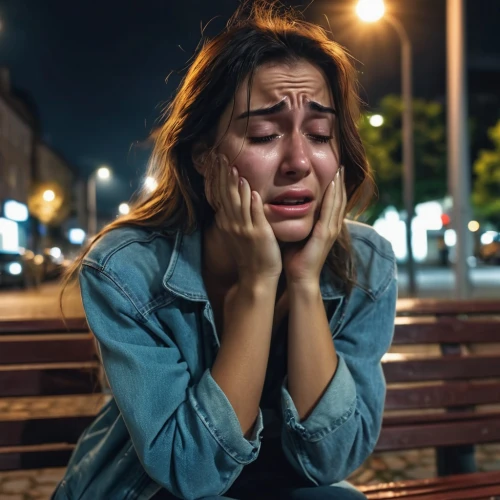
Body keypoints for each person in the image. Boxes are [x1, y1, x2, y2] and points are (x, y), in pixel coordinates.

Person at [53, 2, 397, 499]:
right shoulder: (126, 269)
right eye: (264, 134)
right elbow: (191, 474)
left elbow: (333, 459)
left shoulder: (367, 263)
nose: (299, 161)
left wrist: (302, 284)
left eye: (320, 134)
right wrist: (259, 283)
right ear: (203, 158)